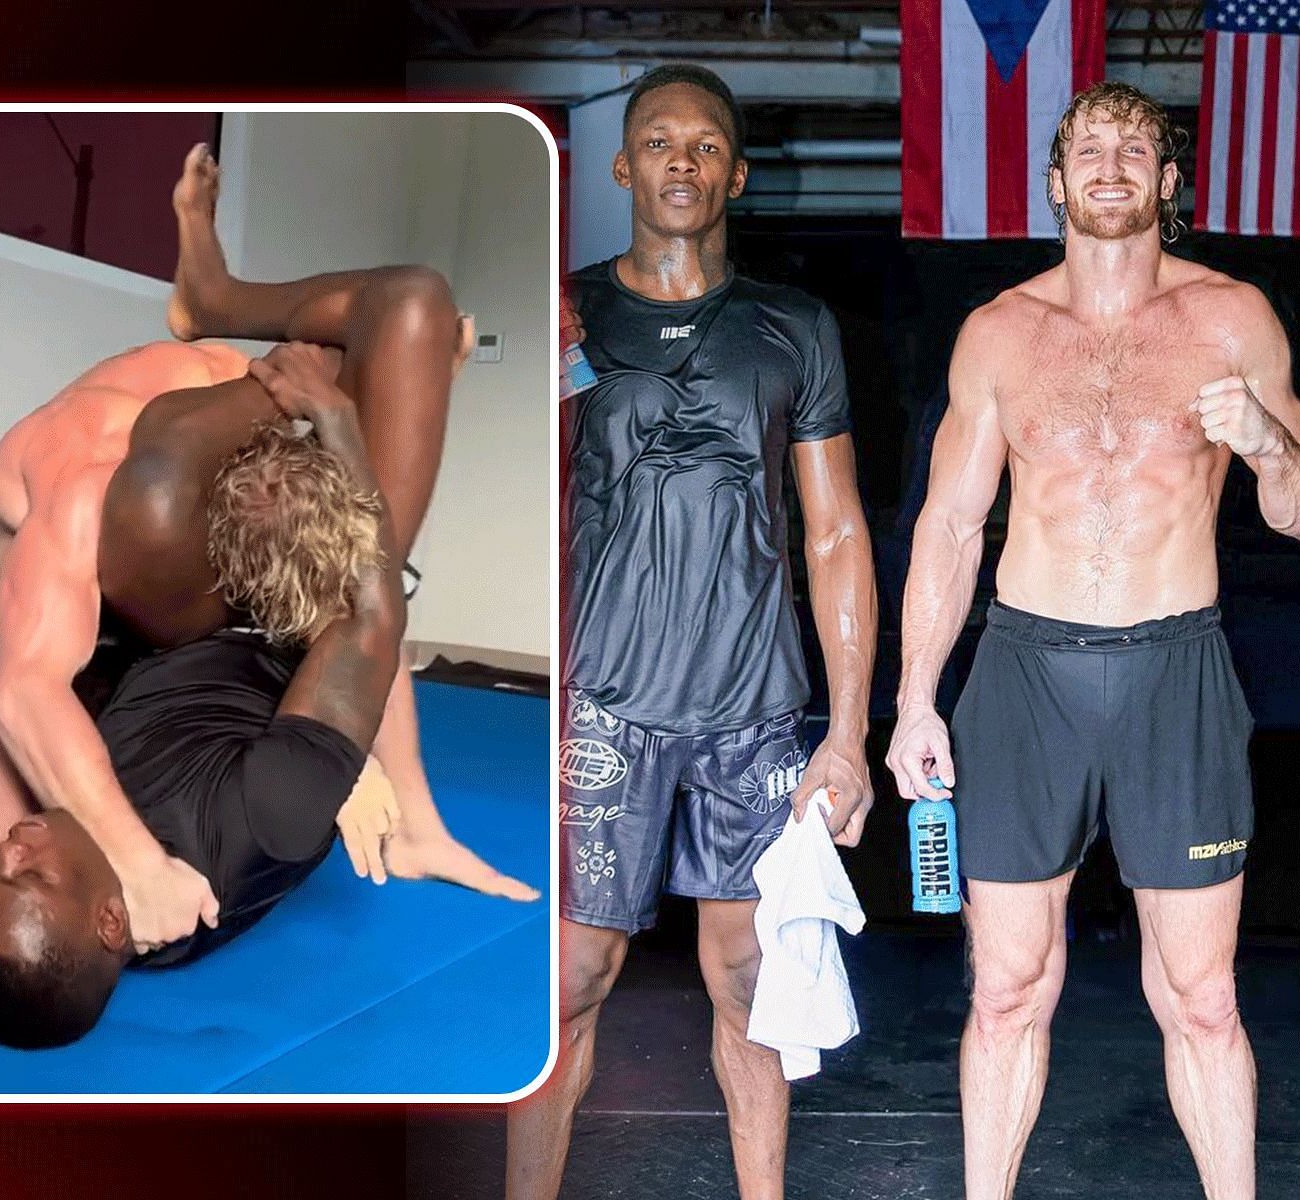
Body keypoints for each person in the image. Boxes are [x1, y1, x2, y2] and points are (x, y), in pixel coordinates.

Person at [886, 82, 1300, 1200]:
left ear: (1168, 182)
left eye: (1136, 148)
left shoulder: (1233, 318)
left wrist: (1268, 442)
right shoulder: (1000, 331)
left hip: (1173, 670)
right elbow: (948, 525)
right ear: (1055, 180)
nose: (1111, 163)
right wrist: (911, 702)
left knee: (1201, 995)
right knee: (1006, 986)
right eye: (1089, 146)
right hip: (1023, 675)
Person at [510, 64, 876, 1200]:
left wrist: (850, 732)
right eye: (659, 142)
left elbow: (835, 533)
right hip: (602, 703)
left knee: (748, 978)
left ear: (737, 173)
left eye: (706, 144)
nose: (682, 159)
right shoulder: (567, 312)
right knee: (572, 976)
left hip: (752, 715)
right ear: (621, 168)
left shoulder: (794, 327)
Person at [0, 344, 410, 1046]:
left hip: (99, 659)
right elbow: (371, 619)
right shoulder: (268, 809)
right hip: (199, 638)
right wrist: (344, 754)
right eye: (20, 875)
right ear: (113, 921)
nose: (9, 850)